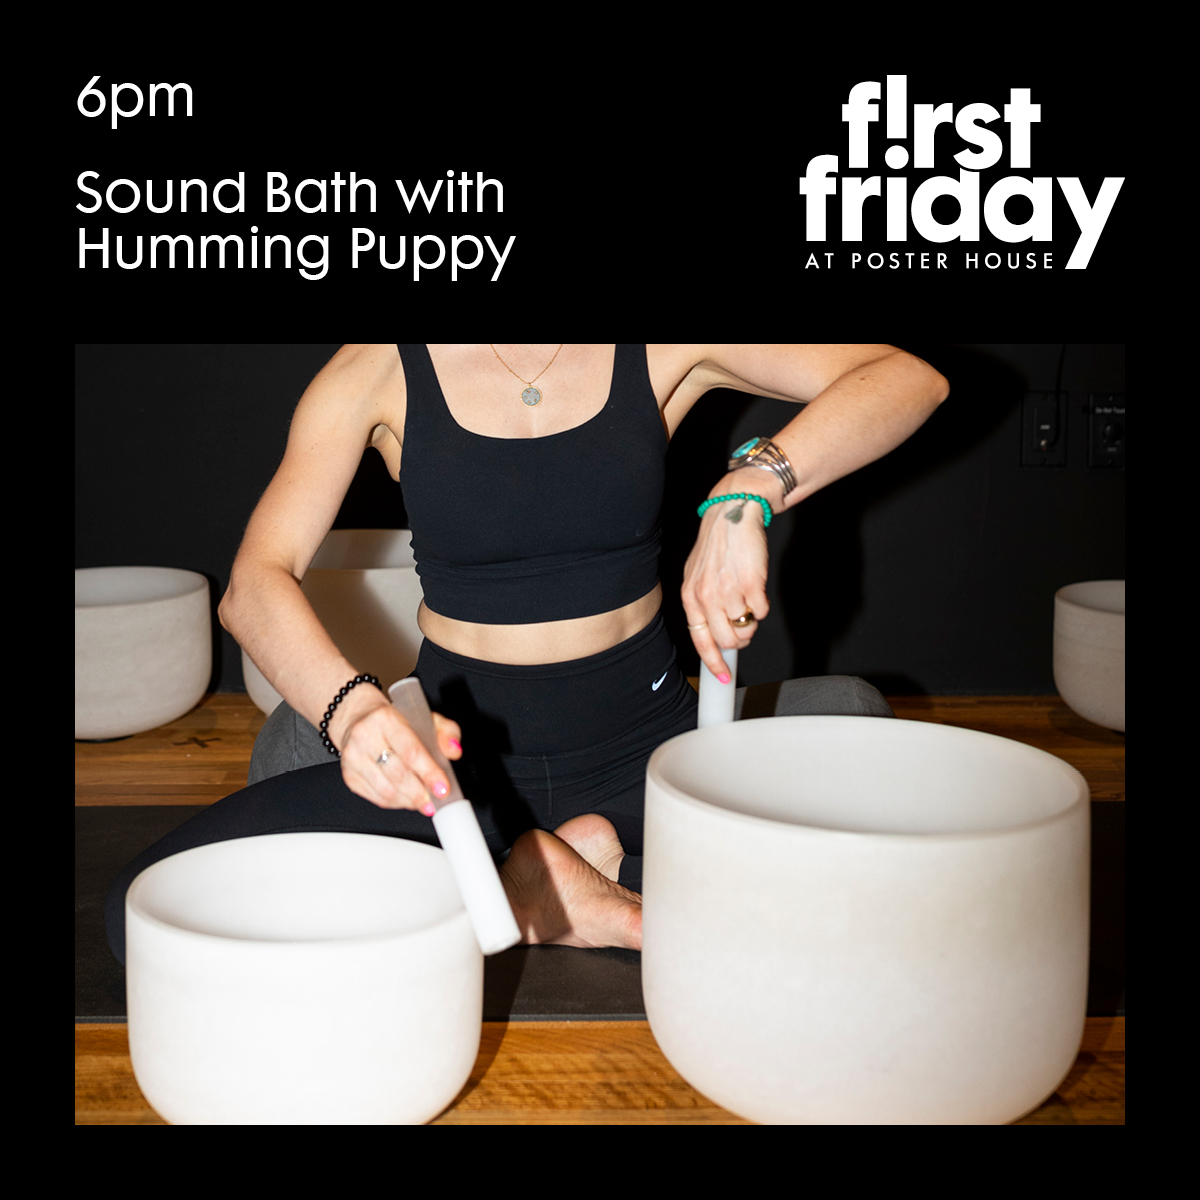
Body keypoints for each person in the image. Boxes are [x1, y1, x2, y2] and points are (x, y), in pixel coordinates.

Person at [105, 344, 947, 962]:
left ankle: (532, 884)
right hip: (462, 784)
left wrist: (752, 489)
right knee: (141, 911)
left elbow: (909, 374)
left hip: (647, 759)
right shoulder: (376, 370)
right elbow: (256, 582)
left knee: (864, 757)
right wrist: (354, 709)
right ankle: (569, 877)